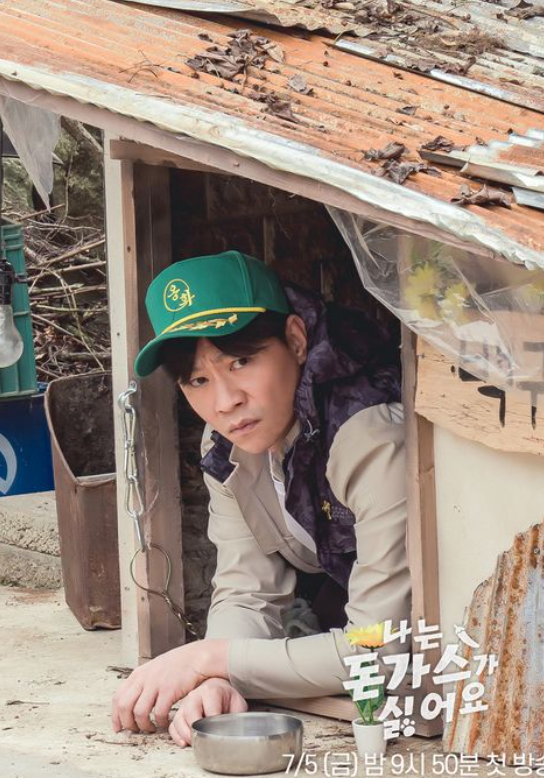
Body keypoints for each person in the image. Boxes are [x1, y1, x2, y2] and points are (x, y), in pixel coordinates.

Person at [110, 250, 411, 746]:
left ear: (295, 340)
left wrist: (209, 658)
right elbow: (247, 589)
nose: (225, 401)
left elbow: (378, 653)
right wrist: (218, 681)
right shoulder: (226, 446)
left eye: (241, 361)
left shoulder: (368, 437)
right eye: (198, 380)